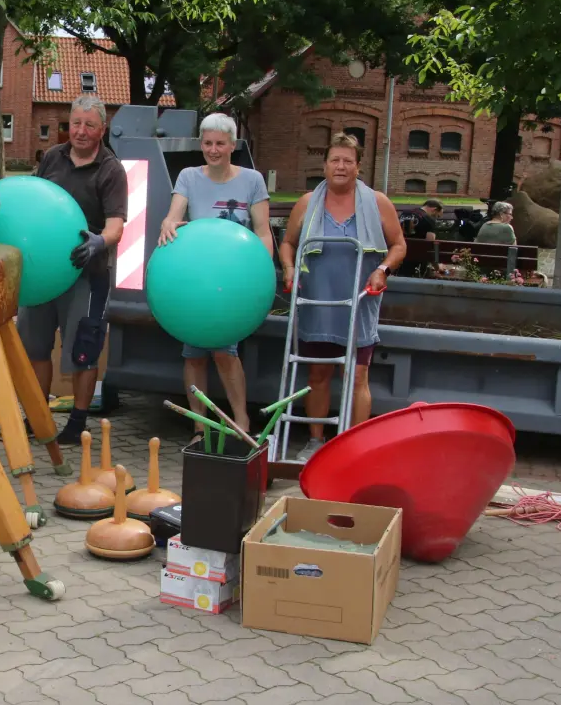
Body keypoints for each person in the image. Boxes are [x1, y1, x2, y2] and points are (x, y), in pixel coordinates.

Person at [279, 133, 406, 462]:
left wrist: (383, 270)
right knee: (318, 374)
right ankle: (316, 441)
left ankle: (353, 445)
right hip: (317, 303)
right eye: (335, 160)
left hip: (359, 303)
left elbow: (398, 245)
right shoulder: (308, 202)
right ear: (325, 165)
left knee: (358, 375)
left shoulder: (377, 202)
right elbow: (288, 242)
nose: (340, 166)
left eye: (348, 161)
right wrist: (289, 268)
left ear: (358, 167)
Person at [17, 94, 126, 444]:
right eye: (75, 123)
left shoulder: (111, 170)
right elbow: (33, 199)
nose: (80, 131)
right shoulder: (52, 157)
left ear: (102, 129)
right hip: (42, 274)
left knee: (83, 349)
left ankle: (78, 422)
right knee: (34, 348)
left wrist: (98, 241)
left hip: (86, 275)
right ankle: (36, 418)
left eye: (89, 125)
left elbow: (116, 226)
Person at [156, 113, 270, 447]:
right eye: (207, 143)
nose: (213, 149)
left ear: (233, 145)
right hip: (197, 278)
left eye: (220, 143)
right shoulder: (189, 176)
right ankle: (199, 427)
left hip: (233, 279)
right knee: (193, 353)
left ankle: (241, 423)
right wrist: (168, 223)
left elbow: (262, 232)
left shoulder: (252, 180)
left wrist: (262, 272)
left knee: (225, 352)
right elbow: (174, 215)